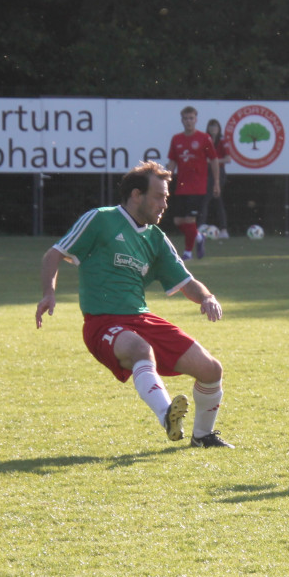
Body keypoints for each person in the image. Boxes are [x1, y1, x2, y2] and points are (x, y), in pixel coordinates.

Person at [35, 160, 233, 448]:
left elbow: (186, 281)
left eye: (166, 197)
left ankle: (203, 437)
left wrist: (206, 297)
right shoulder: (100, 219)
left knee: (211, 369)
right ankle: (166, 414)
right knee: (141, 349)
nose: (164, 204)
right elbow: (53, 254)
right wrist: (48, 293)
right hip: (102, 323)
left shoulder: (156, 238)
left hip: (142, 320)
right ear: (136, 195)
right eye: (159, 196)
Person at [166, 106, 218, 260]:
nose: (188, 121)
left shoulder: (204, 138)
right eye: (186, 118)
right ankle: (199, 237)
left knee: (190, 220)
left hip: (197, 186)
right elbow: (172, 161)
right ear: (182, 120)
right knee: (177, 221)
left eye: (191, 118)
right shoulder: (176, 139)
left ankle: (187, 252)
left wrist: (216, 182)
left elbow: (214, 160)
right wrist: (166, 180)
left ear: (196, 120)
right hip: (181, 186)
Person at [199, 118, 231, 240]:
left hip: (218, 173)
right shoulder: (205, 139)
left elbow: (228, 159)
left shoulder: (222, 141)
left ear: (219, 129)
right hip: (206, 172)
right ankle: (220, 229)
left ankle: (206, 228)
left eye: (215, 127)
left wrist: (214, 161)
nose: (213, 129)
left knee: (210, 199)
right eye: (211, 127)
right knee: (211, 200)